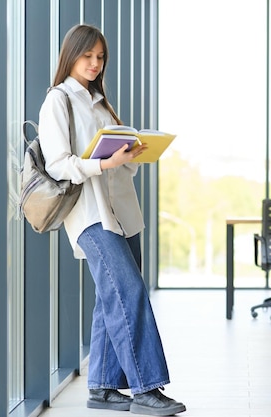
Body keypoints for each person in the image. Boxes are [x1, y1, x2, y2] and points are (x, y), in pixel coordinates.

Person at [39, 24, 186, 416]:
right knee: (130, 292)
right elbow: (58, 165)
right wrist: (104, 162)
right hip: (89, 215)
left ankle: (102, 387)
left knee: (112, 298)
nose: (94, 63)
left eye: (100, 57)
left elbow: (114, 168)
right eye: (88, 56)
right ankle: (146, 388)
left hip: (123, 212)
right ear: (71, 56)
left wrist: (129, 157)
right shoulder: (59, 101)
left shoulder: (101, 102)